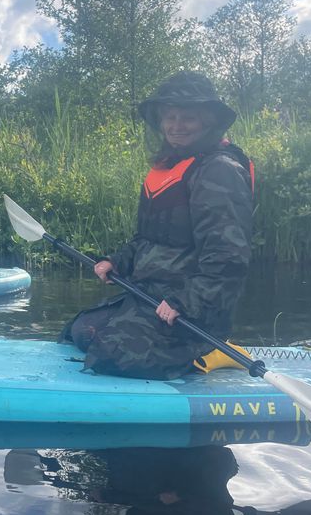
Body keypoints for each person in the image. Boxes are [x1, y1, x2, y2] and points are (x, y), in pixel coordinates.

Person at [62, 71, 255, 379]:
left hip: (192, 309)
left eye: (187, 118)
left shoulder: (220, 171)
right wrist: (117, 261)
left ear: (207, 121)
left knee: (113, 355)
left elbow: (228, 256)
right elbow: (147, 239)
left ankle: (211, 348)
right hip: (151, 295)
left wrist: (187, 304)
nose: (176, 127)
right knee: (81, 331)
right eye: (170, 117)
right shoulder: (170, 167)